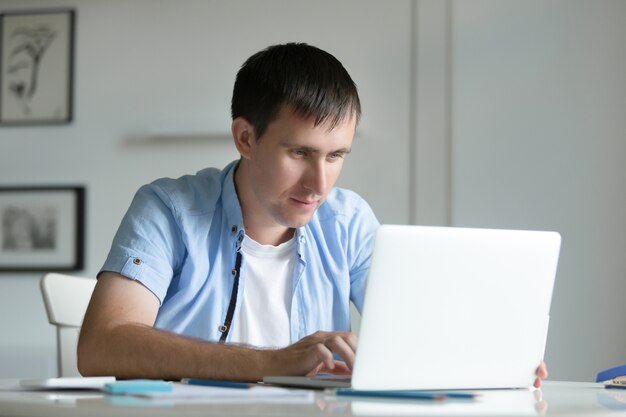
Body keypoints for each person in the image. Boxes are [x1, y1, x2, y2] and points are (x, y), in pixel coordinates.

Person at [77, 42, 548, 387]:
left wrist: (486, 362)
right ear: (245, 138)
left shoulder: (347, 220)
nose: (320, 185)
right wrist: (271, 362)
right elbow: (102, 345)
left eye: (336, 155)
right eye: (300, 152)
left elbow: (417, 335)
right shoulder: (168, 209)